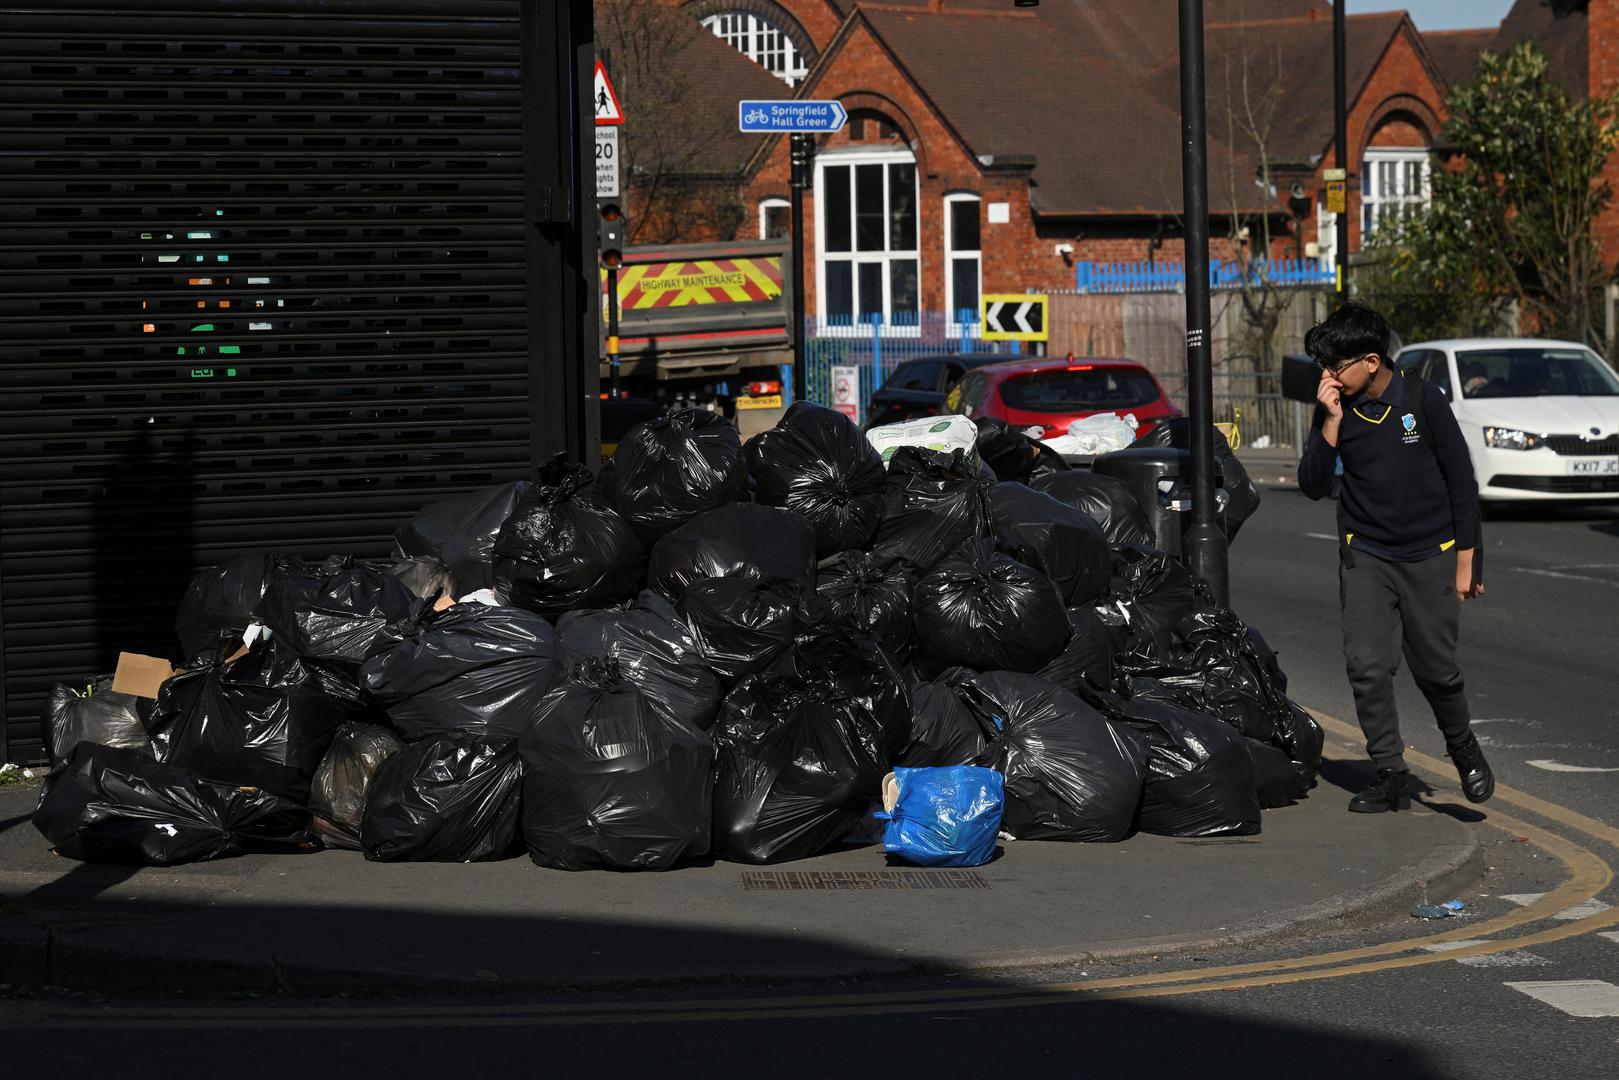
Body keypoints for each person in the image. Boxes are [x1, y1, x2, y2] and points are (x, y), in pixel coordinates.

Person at [1297, 302, 1493, 813]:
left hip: (1432, 552)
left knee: (1436, 669)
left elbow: (1462, 483)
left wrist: (1467, 563)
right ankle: (1390, 774)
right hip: (1367, 553)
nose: (1328, 376)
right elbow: (1313, 485)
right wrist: (1331, 423)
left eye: (1335, 366)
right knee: (1366, 664)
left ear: (1369, 360)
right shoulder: (1335, 406)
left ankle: (1462, 746)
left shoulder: (1424, 400)